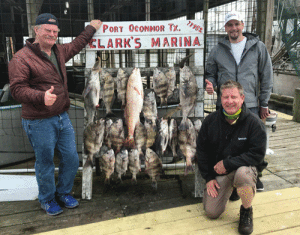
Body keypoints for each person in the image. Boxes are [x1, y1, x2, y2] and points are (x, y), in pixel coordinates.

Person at [8, 13, 102, 216]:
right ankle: (48, 199)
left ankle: (64, 192)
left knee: (70, 158)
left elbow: (77, 44)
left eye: (55, 31)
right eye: (47, 31)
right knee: (45, 162)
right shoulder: (21, 58)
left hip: (62, 116)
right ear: (36, 30)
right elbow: (16, 89)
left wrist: (92, 28)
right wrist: (41, 96)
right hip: (38, 120)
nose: (52, 35)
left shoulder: (58, 51)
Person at [205, 10, 273, 192]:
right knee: (227, 141)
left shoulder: (257, 47)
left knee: (255, 140)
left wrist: (264, 102)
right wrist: (210, 83)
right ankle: (230, 176)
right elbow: (210, 72)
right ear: (225, 28)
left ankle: (255, 173)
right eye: (230, 25)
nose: (233, 28)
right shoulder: (217, 50)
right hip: (225, 103)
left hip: (249, 103)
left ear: (242, 25)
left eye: (236, 24)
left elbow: (266, 75)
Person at [197, 80, 267, 235]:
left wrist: (228, 163)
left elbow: (257, 155)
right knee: (211, 212)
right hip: (222, 173)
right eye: (225, 97)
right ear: (220, 99)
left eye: (234, 97)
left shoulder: (255, 123)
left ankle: (246, 210)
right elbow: (202, 151)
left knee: (243, 175)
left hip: (244, 169)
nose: (229, 101)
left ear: (242, 98)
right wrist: (208, 178)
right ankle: (234, 190)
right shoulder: (210, 122)